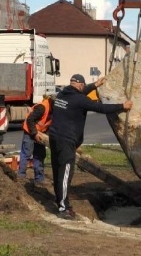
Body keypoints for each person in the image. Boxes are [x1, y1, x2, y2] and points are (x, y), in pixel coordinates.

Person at [49, 73, 132, 219]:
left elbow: (80, 94)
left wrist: (94, 85)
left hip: (54, 138)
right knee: (65, 173)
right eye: (83, 86)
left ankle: (61, 201)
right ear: (80, 85)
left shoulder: (62, 94)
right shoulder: (80, 100)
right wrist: (122, 106)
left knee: (58, 171)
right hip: (66, 141)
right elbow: (100, 107)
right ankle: (63, 208)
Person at [18, 93, 53, 186]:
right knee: (26, 153)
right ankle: (21, 177)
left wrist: (47, 137)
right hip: (30, 131)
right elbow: (30, 120)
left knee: (39, 155)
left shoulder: (54, 110)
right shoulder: (42, 107)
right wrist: (35, 133)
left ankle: (39, 178)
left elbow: (49, 125)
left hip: (41, 133)